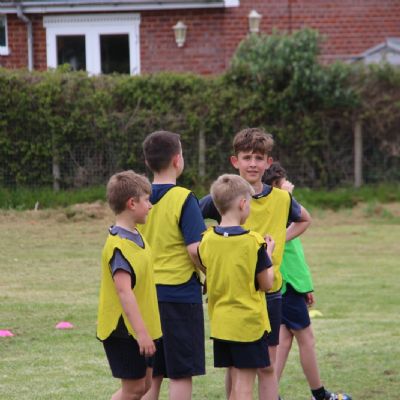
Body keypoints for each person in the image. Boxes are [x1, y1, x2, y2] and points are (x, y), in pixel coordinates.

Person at [200, 128, 312, 400]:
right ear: (235, 161)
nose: (252, 163)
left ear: (268, 162)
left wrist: (278, 242)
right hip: (233, 296)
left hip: (269, 293)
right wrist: (209, 265)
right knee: (235, 367)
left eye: (259, 158)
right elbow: (191, 226)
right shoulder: (224, 195)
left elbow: (305, 219)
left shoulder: (282, 199)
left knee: (267, 366)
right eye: (247, 157)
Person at [263, 162, 352, 400]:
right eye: (283, 183)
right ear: (273, 187)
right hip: (286, 284)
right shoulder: (276, 209)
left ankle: (271, 394)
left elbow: (294, 253)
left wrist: (305, 286)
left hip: (292, 284)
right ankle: (319, 394)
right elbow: (292, 226)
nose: (289, 185)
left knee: (283, 340)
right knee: (307, 339)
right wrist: (286, 196)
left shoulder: (281, 211)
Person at [139, 131, 206, 400]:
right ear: (178, 160)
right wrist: (210, 273)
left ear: (147, 162)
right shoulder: (184, 198)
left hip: (146, 295)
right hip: (179, 296)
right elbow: (195, 249)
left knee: (152, 373)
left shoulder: (138, 199)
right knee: (180, 373)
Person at [198, 174, 277, 400]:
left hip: (221, 324)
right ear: (243, 203)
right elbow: (267, 284)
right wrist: (269, 255)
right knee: (244, 385)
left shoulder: (206, 239)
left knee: (234, 385)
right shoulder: (254, 242)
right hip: (248, 325)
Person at [97, 170, 162, 400]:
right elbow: (124, 293)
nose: (150, 206)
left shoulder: (138, 235)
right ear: (132, 203)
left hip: (144, 324)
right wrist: (142, 335)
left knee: (144, 386)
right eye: (147, 200)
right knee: (133, 389)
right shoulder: (119, 247)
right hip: (124, 330)